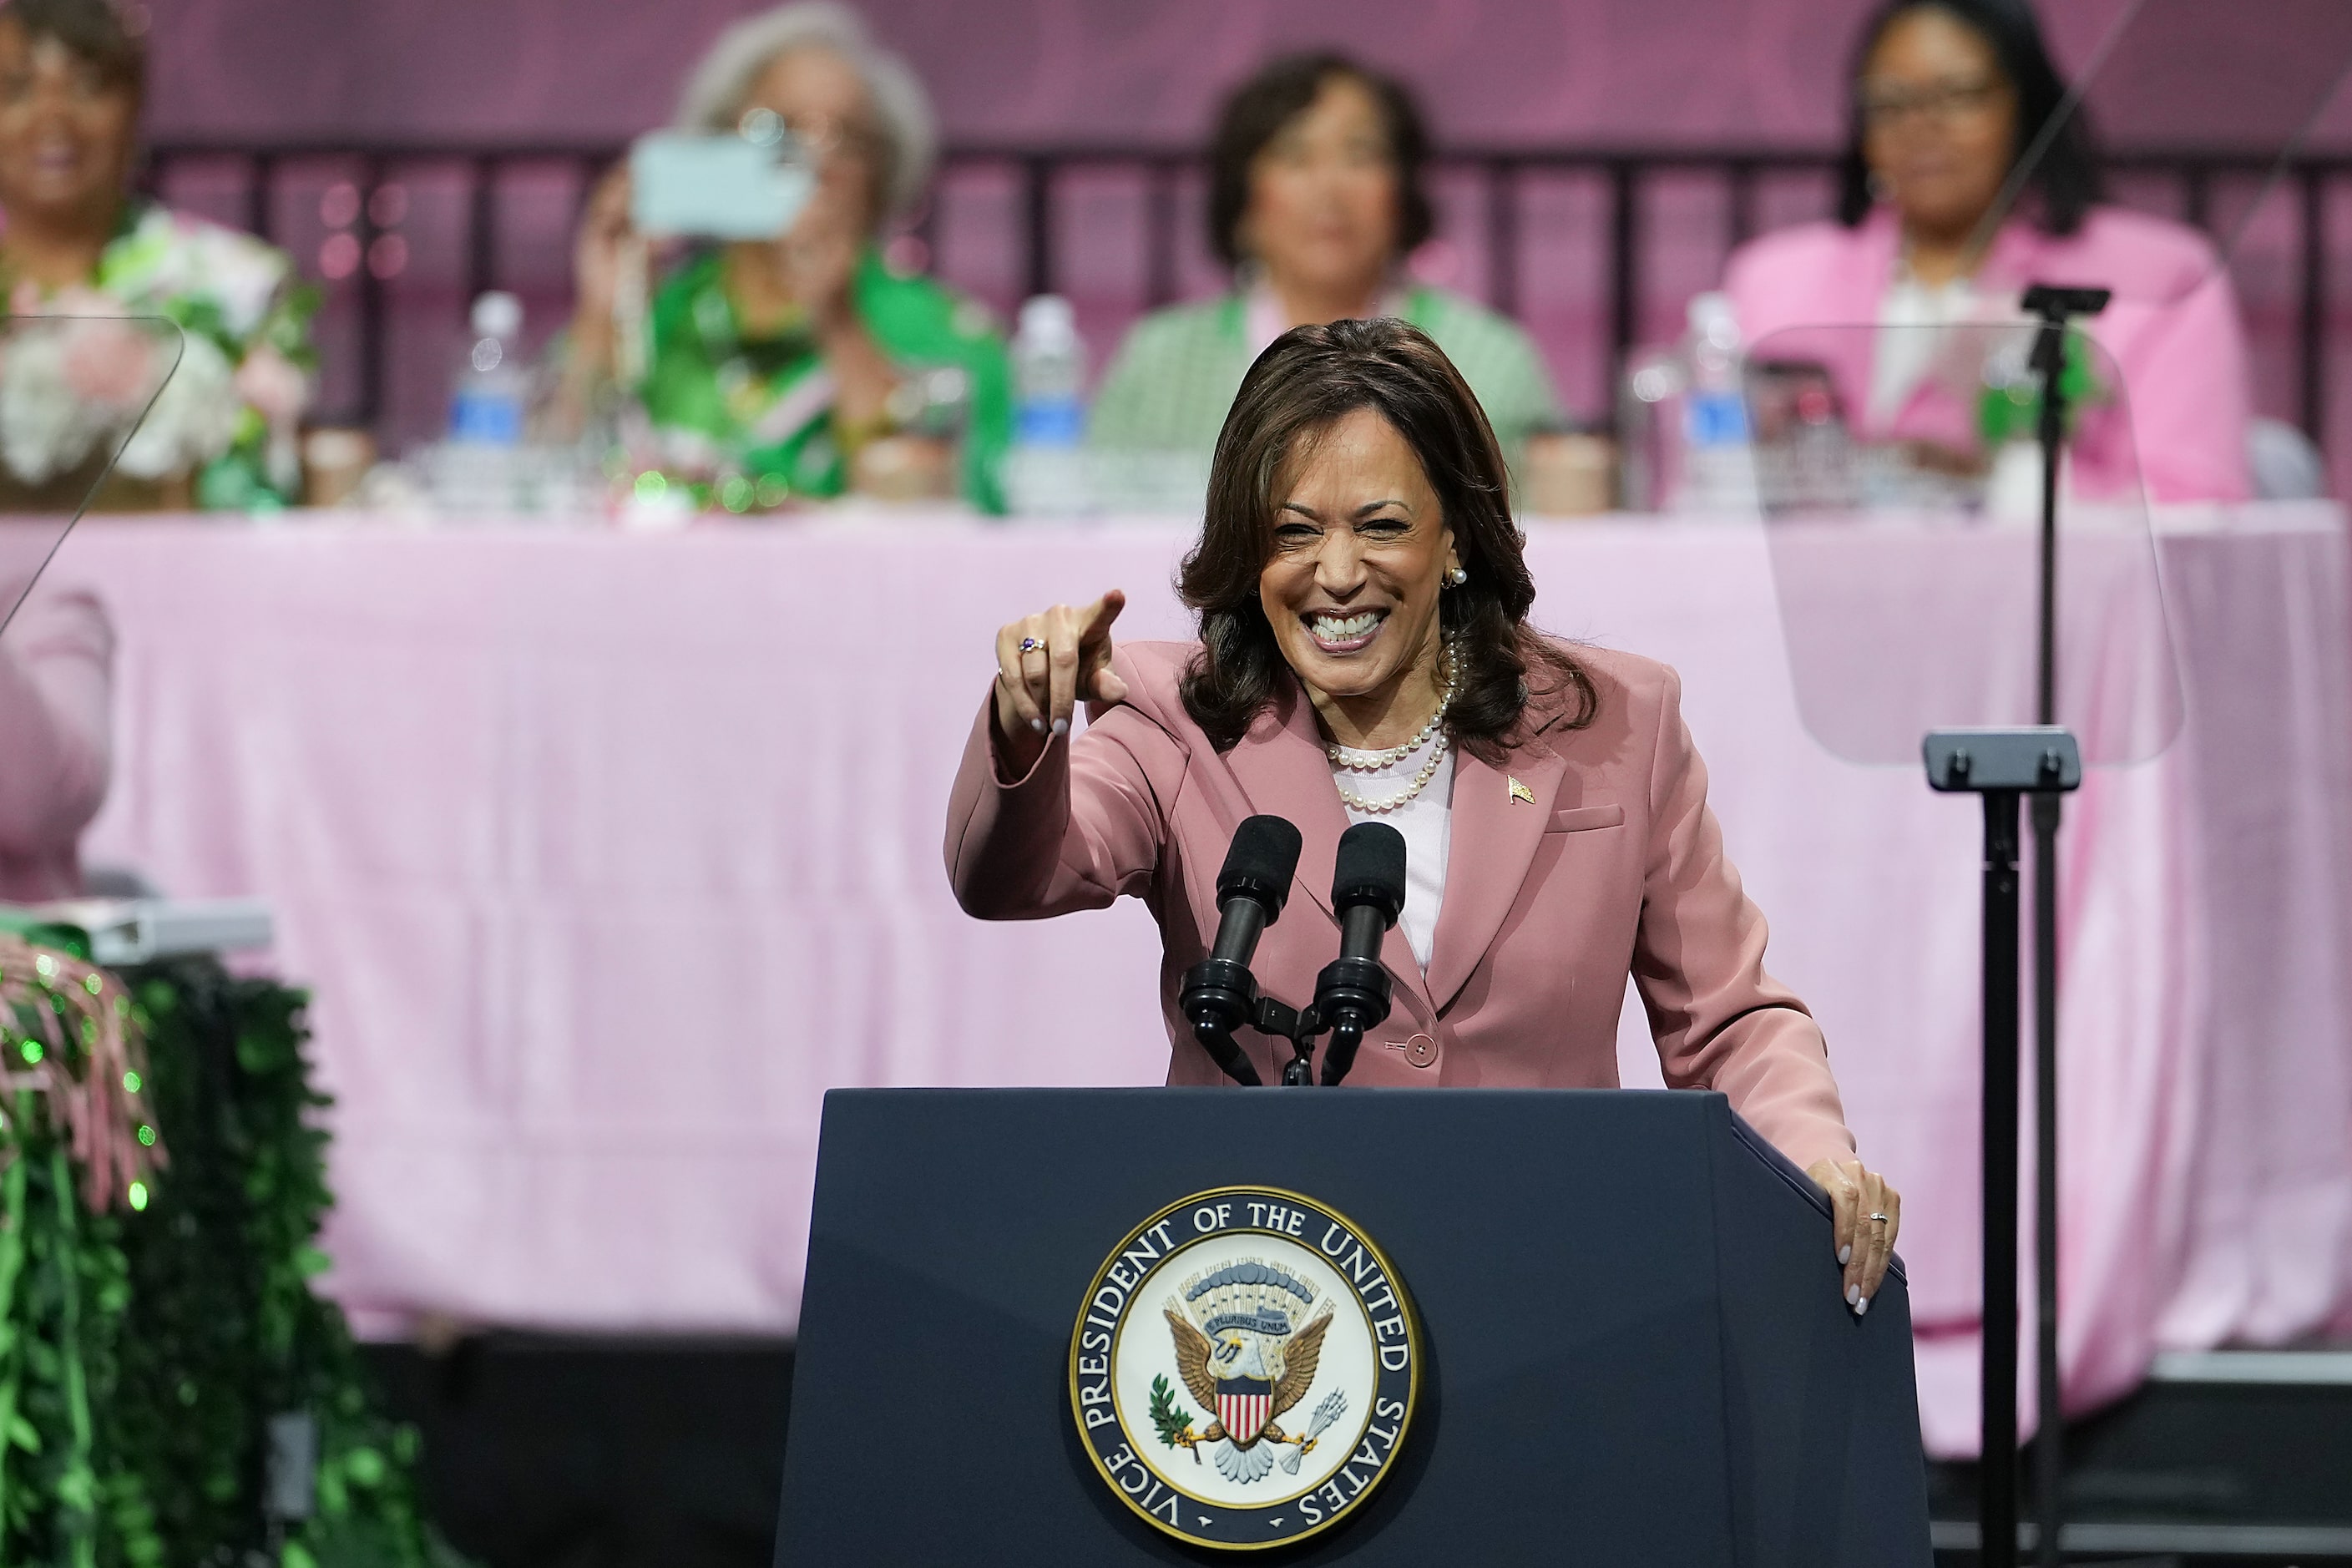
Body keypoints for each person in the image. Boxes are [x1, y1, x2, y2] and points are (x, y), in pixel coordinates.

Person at [946, 318, 1901, 1312]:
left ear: (1455, 537)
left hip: (1555, 1286)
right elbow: (1017, 876)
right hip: (1274, 1304)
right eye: (1294, 530)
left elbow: (1728, 1020)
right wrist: (1024, 733)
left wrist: (1814, 1164)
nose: (1339, 572)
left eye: (1384, 525)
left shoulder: (1616, 723)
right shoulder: (1177, 716)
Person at [1723, 0, 2250, 503]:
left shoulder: (2158, 275)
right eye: (1890, 102)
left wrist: (1994, 484)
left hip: (2067, 591)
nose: (1921, 126)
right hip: (1833, 588)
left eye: (1958, 95)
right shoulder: (1775, 279)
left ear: (2026, 106)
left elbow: (2195, 502)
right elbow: (1710, 490)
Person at [559, 3, 1013, 512]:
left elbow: (954, 521)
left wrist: (839, 324)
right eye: (776, 130)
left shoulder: (947, 334)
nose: (811, 160)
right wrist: (602, 311)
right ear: (718, 147)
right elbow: (544, 492)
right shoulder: (662, 313)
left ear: (883, 175)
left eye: (844, 137)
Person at [1089, 53, 1564, 478]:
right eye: (1296, 157)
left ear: (1402, 194)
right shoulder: (1159, 360)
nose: (1330, 189)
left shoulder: (1492, 361)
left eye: (1360, 154)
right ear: (1243, 200)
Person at [0, 0, 314, 510]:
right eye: (17, 89)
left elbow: (277, 490)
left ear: (136, 104)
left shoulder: (234, 282)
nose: (52, 117)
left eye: (86, 86)